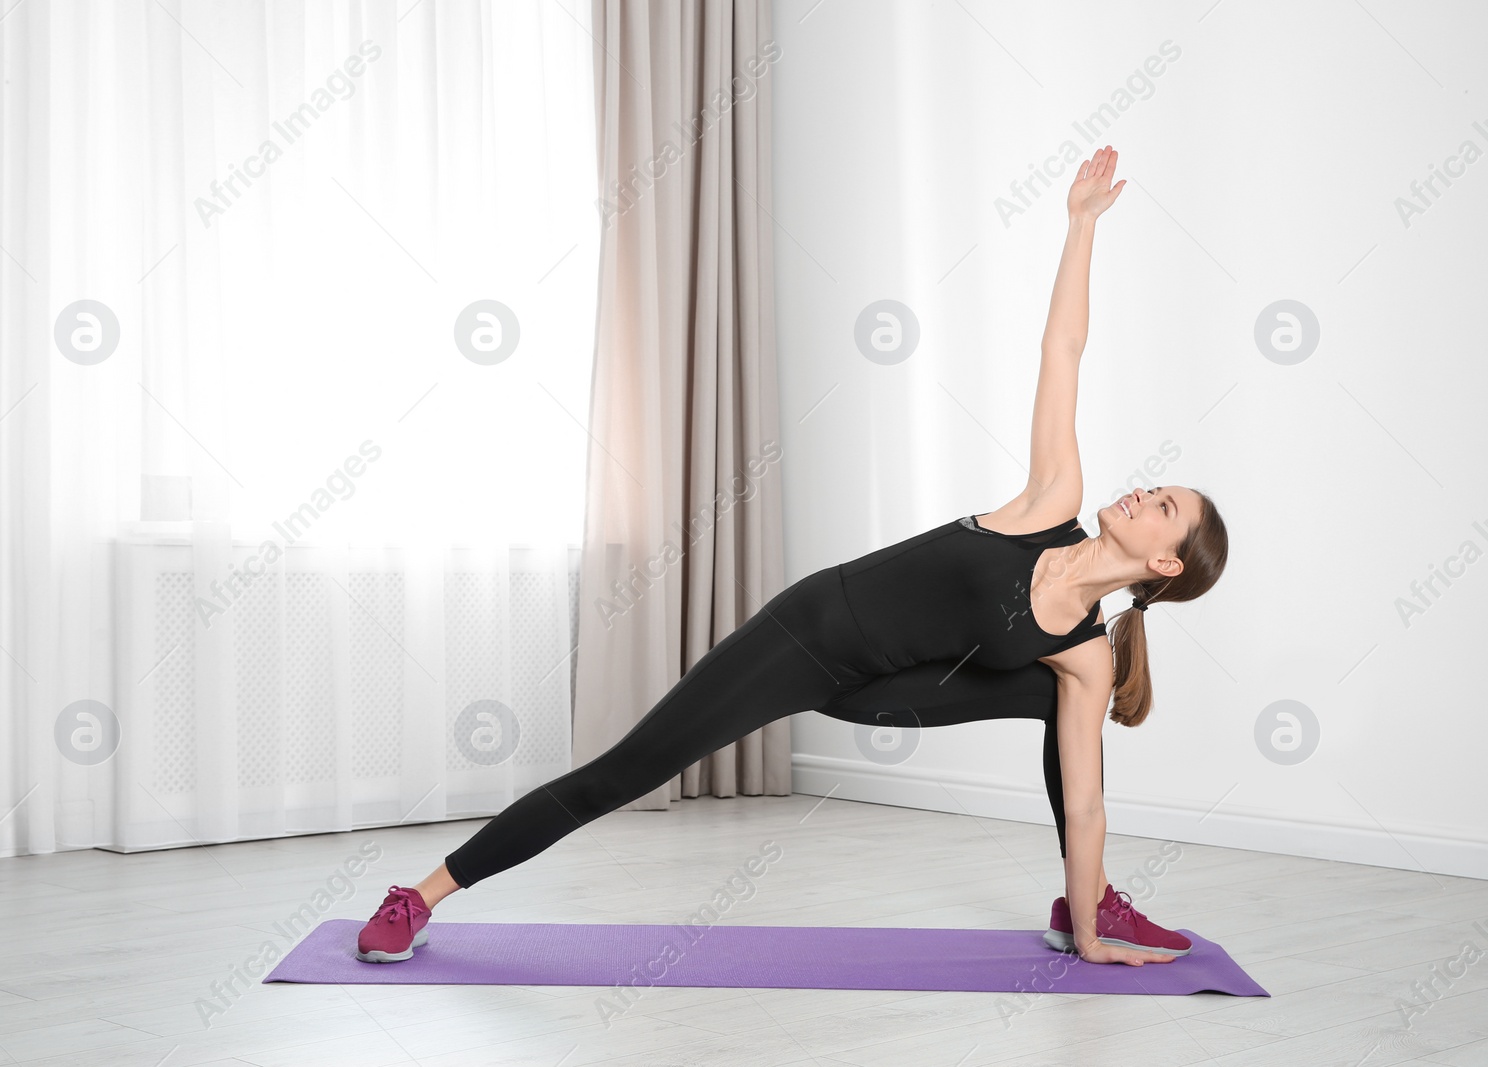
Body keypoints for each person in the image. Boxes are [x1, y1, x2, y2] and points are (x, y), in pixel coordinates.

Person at [357, 145, 1229, 968]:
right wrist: (1079, 226)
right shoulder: (1052, 503)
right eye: (1157, 487)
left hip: (876, 695)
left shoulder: (1082, 658)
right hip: (807, 635)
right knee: (624, 770)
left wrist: (1090, 936)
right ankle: (422, 894)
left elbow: (1085, 801)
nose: (1144, 493)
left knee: (1066, 692)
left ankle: (1086, 907)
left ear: (1164, 564)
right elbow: (1063, 352)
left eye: (1163, 507)